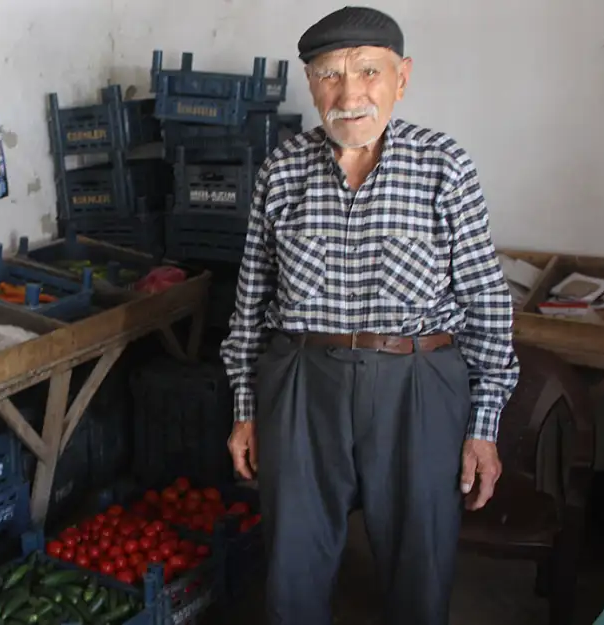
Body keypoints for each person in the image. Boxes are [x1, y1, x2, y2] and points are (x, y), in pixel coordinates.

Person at [220, 6, 520, 625]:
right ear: (310, 83)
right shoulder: (280, 171)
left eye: (368, 72)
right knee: (292, 564)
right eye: (330, 74)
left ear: (401, 77)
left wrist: (484, 425)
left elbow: (488, 304)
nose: (349, 94)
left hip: (418, 379)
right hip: (301, 379)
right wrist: (245, 410)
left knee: (420, 562)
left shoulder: (444, 166)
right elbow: (249, 304)